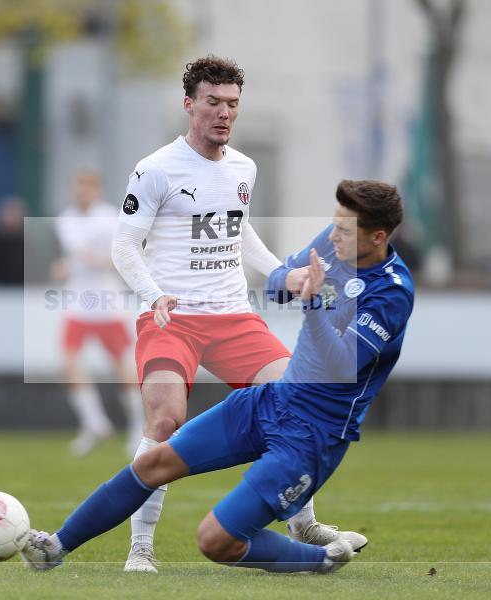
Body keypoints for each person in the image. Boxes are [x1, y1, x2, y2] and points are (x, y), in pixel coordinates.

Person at [21, 179, 415, 574]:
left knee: (215, 540)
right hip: (271, 401)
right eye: (335, 223)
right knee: (152, 463)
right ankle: (55, 547)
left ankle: (322, 558)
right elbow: (278, 286)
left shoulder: (391, 292)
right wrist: (291, 281)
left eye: (344, 229)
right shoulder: (336, 244)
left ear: (378, 237)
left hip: (312, 433)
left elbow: (340, 365)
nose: (332, 235)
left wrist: (313, 304)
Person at [109, 55, 339, 572]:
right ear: (189, 104)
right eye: (213, 102)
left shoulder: (243, 168)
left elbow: (239, 230)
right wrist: (153, 294)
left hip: (233, 315)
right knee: (165, 420)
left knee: (298, 403)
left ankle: (302, 520)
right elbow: (123, 245)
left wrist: (283, 273)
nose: (224, 113)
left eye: (232, 103)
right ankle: (140, 548)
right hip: (172, 318)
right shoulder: (155, 169)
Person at [53, 170, 144, 456]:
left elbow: (125, 258)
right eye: (79, 185)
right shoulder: (65, 219)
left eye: (88, 186)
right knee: (68, 359)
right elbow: (73, 257)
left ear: (97, 190)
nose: (82, 190)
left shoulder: (109, 218)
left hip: (106, 302)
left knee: (120, 366)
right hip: (78, 300)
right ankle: (93, 422)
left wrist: (100, 260)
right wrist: (65, 267)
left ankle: (138, 426)